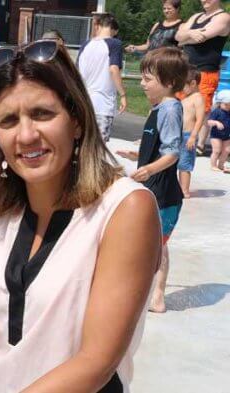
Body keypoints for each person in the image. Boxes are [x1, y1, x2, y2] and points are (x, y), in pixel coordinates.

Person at [0, 39, 162, 392]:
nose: (26, 135)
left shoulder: (124, 210)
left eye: (42, 114)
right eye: (8, 120)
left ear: (76, 120)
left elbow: (95, 361)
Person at [114, 46, 187, 315]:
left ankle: (156, 294)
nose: (142, 84)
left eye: (147, 79)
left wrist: (148, 169)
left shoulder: (170, 109)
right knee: (153, 245)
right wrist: (140, 153)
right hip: (153, 190)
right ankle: (151, 293)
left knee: (155, 247)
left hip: (164, 196)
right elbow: (159, 146)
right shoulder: (158, 108)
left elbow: (173, 152)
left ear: (168, 82)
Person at [178, 0, 230, 151]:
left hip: (206, 71)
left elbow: (202, 37)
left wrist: (185, 35)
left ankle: (198, 145)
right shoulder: (196, 16)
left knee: (202, 109)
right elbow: (178, 36)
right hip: (187, 70)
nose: (204, 0)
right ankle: (182, 138)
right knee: (183, 105)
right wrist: (188, 34)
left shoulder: (223, 17)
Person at [77, 13, 126, 142]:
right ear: (114, 30)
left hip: (83, 103)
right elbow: (113, 69)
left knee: (82, 144)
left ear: (98, 26)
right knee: (98, 147)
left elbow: (77, 73)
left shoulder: (85, 45)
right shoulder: (115, 44)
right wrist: (123, 95)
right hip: (103, 104)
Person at [179, 67, 204, 197]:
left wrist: (193, 136)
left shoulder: (197, 97)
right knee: (177, 162)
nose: (181, 87)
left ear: (193, 83)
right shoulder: (185, 97)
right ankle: (179, 188)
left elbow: (200, 119)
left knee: (184, 164)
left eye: (183, 84)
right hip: (180, 135)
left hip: (189, 136)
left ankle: (184, 190)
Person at [205, 90, 230, 171]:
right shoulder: (216, 111)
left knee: (226, 151)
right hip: (216, 135)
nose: (228, 106)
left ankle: (221, 165)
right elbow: (209, 122)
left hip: (226, 135)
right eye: (226, 104)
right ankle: (213, 165)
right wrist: (216, 122)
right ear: (219, 103)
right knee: (216, 151)